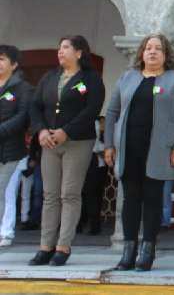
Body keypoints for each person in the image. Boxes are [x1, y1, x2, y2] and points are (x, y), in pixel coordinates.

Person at [104, 34, 174, 271]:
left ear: (166, 55)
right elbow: (112, 112)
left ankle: (148, 250)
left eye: (158, 48)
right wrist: (108, 145)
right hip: (128, 148)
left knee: (153, 201)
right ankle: (128, 251)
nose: (152, 52)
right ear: (141, 53)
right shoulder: (127, 78)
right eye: (148, 48)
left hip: (160, 150)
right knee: (130, 200)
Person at [29, 36, 105, 266]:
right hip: (50, 142)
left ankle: (63, 246)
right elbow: (35, 106)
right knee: (50, 195)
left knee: (69, 194)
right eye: (59, 48)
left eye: (66, 47)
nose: (60, 51)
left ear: (79, 53)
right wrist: (41, 131)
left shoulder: (91, 79)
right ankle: (45, 247)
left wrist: (66, 131)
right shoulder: (49, 77)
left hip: (77, 142)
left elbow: (91, 110)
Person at [0, 45, 34, 248]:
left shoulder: (23, 89)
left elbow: (22, 117)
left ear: (14, 64)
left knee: (6, 191)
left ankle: (6, 231)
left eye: (2, 59)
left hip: (11, 150)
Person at [77, 116, 105, 235]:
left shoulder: (99, 122)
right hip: (86, 158)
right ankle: (82, 223)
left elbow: (100, 143)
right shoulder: (86, 121)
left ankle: (93, 224)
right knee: (83, 193)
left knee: (92, 194)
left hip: (95, 160)